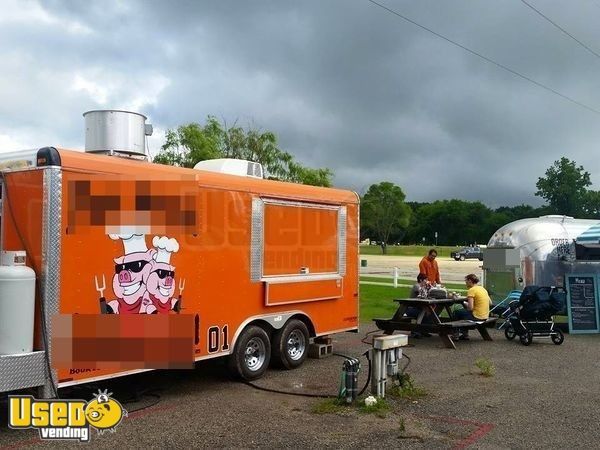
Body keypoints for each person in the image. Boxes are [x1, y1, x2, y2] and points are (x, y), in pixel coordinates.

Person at [453, 273, 491, 340]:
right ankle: (465, 334)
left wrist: (463, 302)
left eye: (466, 281)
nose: (466, 283)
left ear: (470, 281)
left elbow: (470, 308)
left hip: (477, 317)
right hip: (485, 316)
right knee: (463, 313)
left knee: (456, 312)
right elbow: (490, 303)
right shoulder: (482, 289)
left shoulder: (471, 290)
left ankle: (456, 335)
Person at [406, 273, 432, 338]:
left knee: (428, 313)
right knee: (423, 313)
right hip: (411, 309)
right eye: (425, 280)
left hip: (417, 308)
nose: (427, 281)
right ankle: (416, 332)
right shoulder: (417, 286)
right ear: (421, 280)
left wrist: (430, 287)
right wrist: (428, 287)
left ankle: (423, 330)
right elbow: (422, 294)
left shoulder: (422, 287)